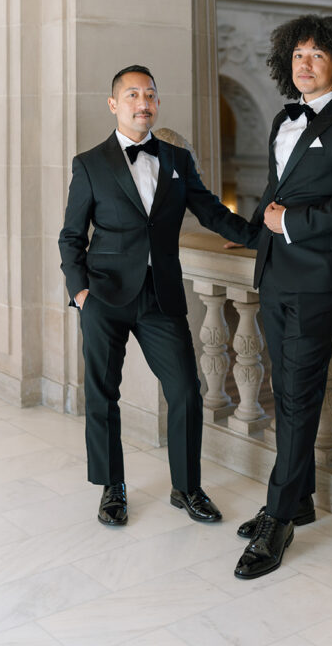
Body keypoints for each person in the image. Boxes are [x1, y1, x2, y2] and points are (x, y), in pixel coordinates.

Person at [59, 65, 254, 528]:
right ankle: (112, 488)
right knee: (103, 395)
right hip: (105, 294)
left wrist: (259, 236)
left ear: (157, 103)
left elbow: (209, 210)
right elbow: (71, 235)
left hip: (161, 296)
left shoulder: (176, 160)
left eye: (149, 94)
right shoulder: (90, 163)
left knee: (186, 390)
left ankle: (186, 488)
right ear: (114, 104)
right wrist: (80, 293)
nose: (142, 102)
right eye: (132, 95)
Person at [233, 15, 332, 579]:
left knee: (296, 396)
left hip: (318, 273)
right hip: (275, 273)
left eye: (317, 55)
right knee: (285, 388)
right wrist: (251, 232)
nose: (305, 63)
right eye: (298, 54)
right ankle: (298, 501)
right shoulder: (282, 118)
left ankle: (278, 521)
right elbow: (273, 192)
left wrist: (290, 222)